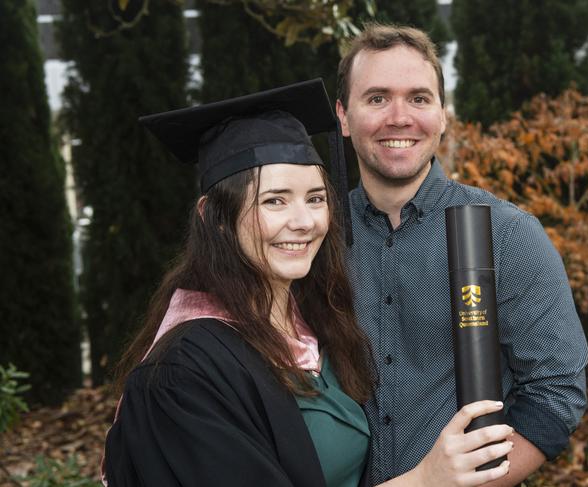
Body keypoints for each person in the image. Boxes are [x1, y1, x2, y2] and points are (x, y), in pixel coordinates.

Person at [103, 79, 514, 487]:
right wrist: (426, 480)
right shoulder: (183, 373)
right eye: (275, 200)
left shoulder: (314, 324)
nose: (303, 222)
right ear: (215, 217)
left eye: (316, 198)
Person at [335, 24, 588, 486]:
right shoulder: (316, 237)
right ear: (343, 116)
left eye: (418, 98)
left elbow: (556, 394)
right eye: (376, 98)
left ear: (443, 114)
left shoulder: (507, 235)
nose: (399, 117)